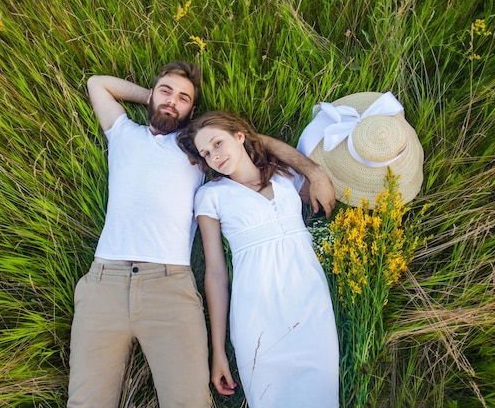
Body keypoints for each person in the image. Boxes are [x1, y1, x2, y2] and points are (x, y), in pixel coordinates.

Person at [68, 61, 336, 408]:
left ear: (192, 112)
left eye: (183, 98)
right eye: (166, 91)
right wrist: (155, 97)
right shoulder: (123, 133)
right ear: (152, 93)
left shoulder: (194, 150)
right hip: (105, 281)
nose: (172, 101)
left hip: (168, 286)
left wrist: (314, 172)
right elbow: (97, 83)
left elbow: (254, 141)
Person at [177, 111, 340, 408]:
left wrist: (316, 173)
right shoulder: (211, 196)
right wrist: (218, 351)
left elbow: (277, 150)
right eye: (206, 153)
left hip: (311, 305)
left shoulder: (285, 178)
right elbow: (215, 273)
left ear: (239, 136)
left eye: (217, 143)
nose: (214, 156)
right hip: (258, 315)